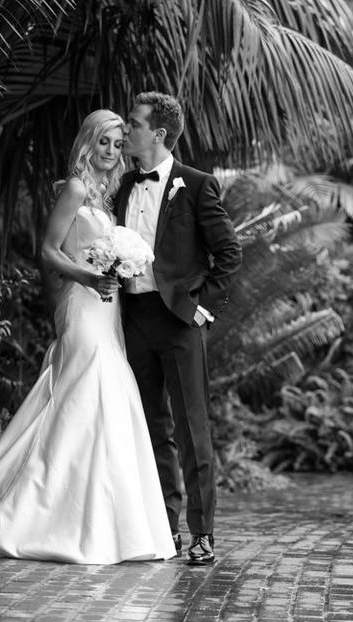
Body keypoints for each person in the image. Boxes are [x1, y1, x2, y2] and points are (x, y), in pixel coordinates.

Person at [0, 109, 176, 564]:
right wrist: (87, 278)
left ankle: (106, 521)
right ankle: (41, 515)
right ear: (87, 142)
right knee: (85, 391)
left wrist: (120, 267)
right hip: (82, 306)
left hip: (108, 308)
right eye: (102, 142)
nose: (110, 151)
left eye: (116, 142)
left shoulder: (109, 196)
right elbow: (47, 251)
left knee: (107, 397)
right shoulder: (77, 188)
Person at [115, 92, 243, 565]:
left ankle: (202, 534)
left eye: (134, 123)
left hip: (179, 321)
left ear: (159, 133)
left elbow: (229, 252)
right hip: (131, 319)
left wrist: (203, 311)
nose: (127, 131)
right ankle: (164, 529)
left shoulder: (196, 184)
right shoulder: (123, 186)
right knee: (152, 428)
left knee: (192, 430)